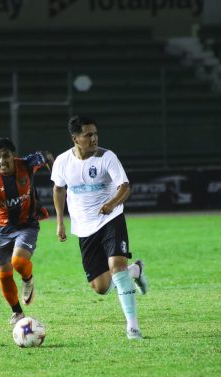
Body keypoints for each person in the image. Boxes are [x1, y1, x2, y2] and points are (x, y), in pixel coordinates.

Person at [51, 115, 148, 340]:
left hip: (111, 219)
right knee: (101, 287)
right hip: (84, 227)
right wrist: (60, 222)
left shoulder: (107, 157)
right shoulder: (63, 161)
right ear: (75, 138)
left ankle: (133, 327)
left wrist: (111, 204)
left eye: (95, 134)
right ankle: (136, 271)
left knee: (117, 267)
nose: (94, 138)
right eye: (88, 135)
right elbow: (59, 189)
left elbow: (125, 187)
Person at [0, 137, 53, 324]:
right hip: (1, 229)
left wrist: (57, 179)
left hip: (27, 224)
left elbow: (47, 155)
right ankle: (17, 312)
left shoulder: (27, 164)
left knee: (18, 262)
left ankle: (28, 279)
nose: (2, 161)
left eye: (6, 156)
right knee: (4, 274)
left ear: (14, 155)